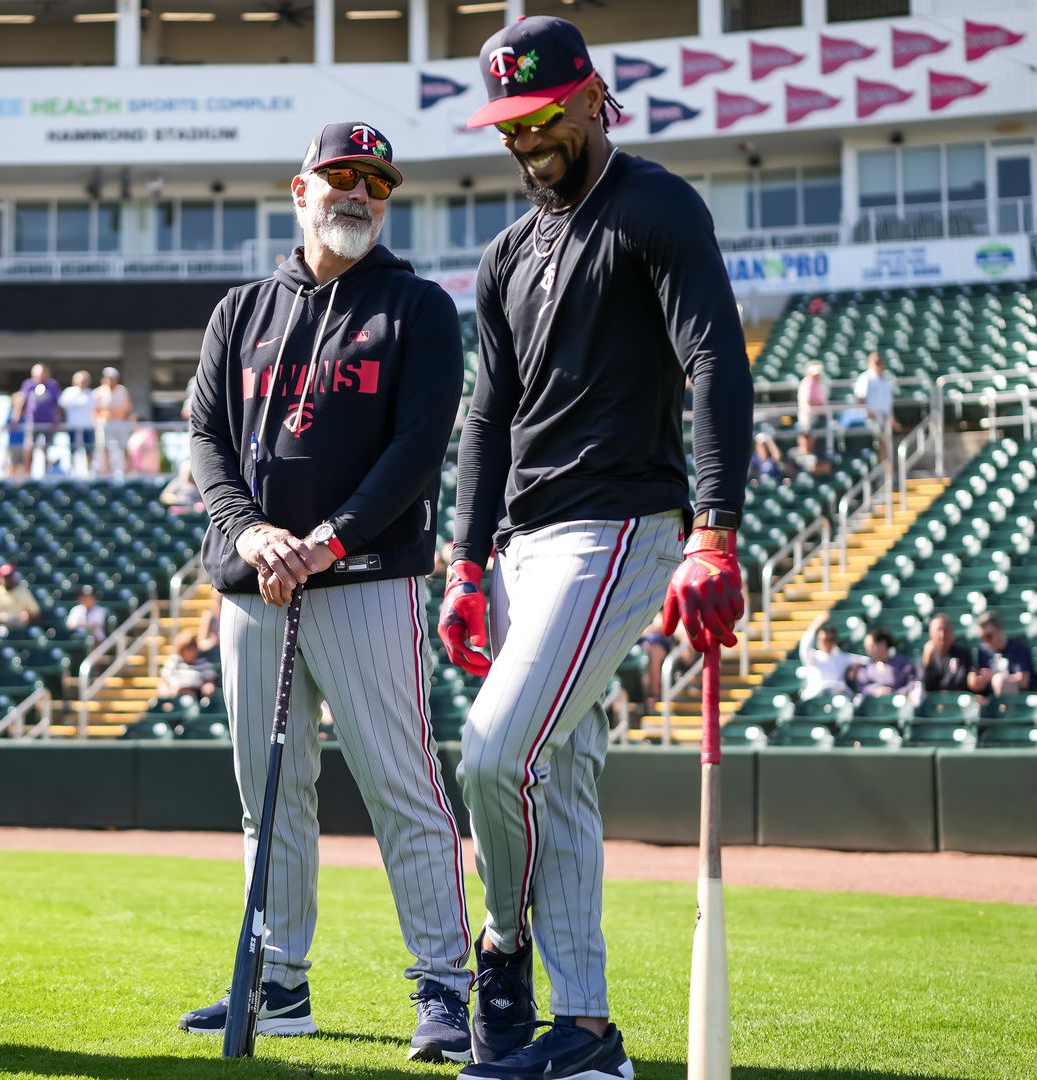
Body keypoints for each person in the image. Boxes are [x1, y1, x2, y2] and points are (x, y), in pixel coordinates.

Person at [442, 20, 751, 1078]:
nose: (525, 138)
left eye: (541, 116)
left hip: (621, 527)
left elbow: (715, 360)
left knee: (493, 753)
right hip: (524, 545)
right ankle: (586, 1036)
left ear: (592, 99)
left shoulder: (656, 206)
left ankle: (502, 946)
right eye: (507, 123)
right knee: (558, 773)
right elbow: (487, 420)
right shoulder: (504, 254)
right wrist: (466, 562)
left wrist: (716, 531)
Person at [184, 119, 474, 1065]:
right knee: (267, 794)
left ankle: (444, 987)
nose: (358, 193)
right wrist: (254, 532)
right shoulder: (240, 311)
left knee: (403, 784)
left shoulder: (419, 308)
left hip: (366, 579)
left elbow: (418, 450)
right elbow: (206, 442)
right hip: (254, 582)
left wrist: (327, 538)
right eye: (340, 176)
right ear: (299, 189)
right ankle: (279, 983)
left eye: (376, 184)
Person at [969, 612, 1037, 696]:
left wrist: (994, 676)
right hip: (989, 699)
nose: (985, 641)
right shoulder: (982, 651)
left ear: (1000, 630)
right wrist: (977, 681)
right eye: (982, 638)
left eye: (989, 636)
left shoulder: (1019, 649)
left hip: (1017, 699)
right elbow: (974, 680)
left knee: (999, 680)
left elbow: (1023, 682)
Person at [798, 616, 865, 699]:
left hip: (837, 698)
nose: (828, 643)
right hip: (815, 698)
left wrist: (857, 667)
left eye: (831, 639)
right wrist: (816, 623)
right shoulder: (811, 656)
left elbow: (866, 661)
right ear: (819, 641)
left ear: (836, 640)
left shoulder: (843, 657)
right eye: (825, 640)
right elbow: (805, 644)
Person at [852, 627, 920, 703]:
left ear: (882, 644)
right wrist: (875, 690)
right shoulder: (866, 667)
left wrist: (894, 693)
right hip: (872, 705)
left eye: (870, 647)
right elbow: (861, 687)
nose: (868, 651)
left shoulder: (903, 663)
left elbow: (911, 683)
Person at [16, 363, 62, 475]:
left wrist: (57, 420)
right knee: (29, 447)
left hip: (49, 424)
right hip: (32, 423)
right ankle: (28, 473)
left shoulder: (53, 385)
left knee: (47, 449)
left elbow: (57, 405)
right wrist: (16, 418)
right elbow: (21, 401)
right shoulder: (28, 384)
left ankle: (46, 473)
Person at [92, 366, 133, 476]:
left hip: (120, 422)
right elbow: (95, 410)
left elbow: (128, 407)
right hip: (105, 423)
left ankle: (128, 470)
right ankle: (107, 471)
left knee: (124, 447)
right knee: (104, 447)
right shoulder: (99, 392)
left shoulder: (122, 390)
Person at [919, 613, 975, 694]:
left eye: (946, 630)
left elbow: (964, 682)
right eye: (938, 630)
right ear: (931, 634)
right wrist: (926, 663)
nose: (943, 635)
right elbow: (922, 687)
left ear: (952, 633)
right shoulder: (925, 658)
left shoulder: (963, 654)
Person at [156, 629, 218, 698]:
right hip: (174, 695)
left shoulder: (202, 663)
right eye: (188, 648)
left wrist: (208, 687)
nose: (192, 650)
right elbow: (164, 679)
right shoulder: (174, 661)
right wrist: (166, 690)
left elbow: (210, 681)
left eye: (193, 647)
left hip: (195, 696)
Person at [854, 350, 893, 454]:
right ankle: (880, 467)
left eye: (880, 362)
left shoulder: (885, 378)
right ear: (870, 363)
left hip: (883, 417)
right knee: (878, 444)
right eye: (876, 362)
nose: (879, 364)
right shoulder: (865, 378)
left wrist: (890, 416)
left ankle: (885, 468)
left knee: (885, 444)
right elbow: (860, 398)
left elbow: (887, 400)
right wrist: (867, 413)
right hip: (871, 417)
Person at [58, 370, 96, 475]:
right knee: (72, 449)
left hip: (88, 426)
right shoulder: (68, 392)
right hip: (73, 426)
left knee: (89, 449)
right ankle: (72, 470)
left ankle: (89, 470)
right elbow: (61, 407)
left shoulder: (91, 394)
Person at [0, 564, 39, 628]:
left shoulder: (24, 591)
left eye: (10, 577)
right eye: (5, 577)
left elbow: (35, 613)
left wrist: (27, 616)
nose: (7, 580)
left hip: (18, 631)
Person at [796, 362, 826, 432]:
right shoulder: (806, 384)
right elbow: (808, 400)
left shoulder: (819, 384)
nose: (817, 376)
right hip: (808, 415)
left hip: (817, 415)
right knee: (807, 435)